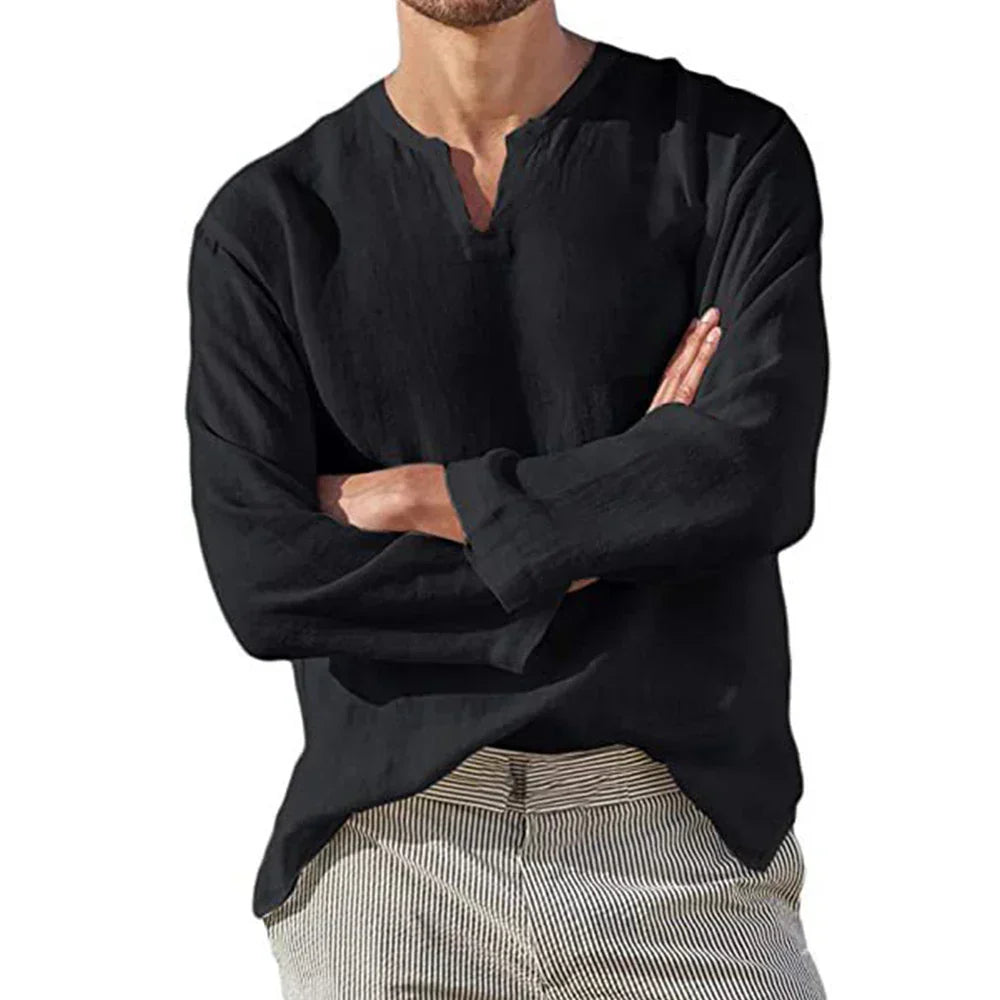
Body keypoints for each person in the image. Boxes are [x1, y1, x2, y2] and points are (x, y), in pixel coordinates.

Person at [185, 0, 829, 996]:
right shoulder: (265, 226)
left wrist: (420, 496)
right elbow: (264, 581)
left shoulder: (727, 154)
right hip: (389, 857)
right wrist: (617, 505)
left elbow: (753, 474)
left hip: (678, 835)